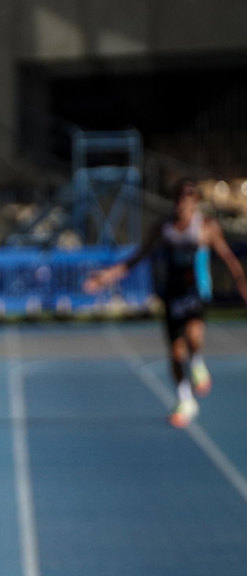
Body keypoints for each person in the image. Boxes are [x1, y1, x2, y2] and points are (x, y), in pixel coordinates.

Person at [86, 178, 247, 427]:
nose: (182, 203)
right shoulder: (163, 227)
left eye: (188, 197)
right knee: (175, 353)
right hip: (172, 294)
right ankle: (185, 399)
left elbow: (227, 256)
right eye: (179, 197)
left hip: (196, 291)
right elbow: (137, 257)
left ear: (195, 201)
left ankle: (197, 363)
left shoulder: (206, 227)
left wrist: (240, 281)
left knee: (193, 336)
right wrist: (107, 276)